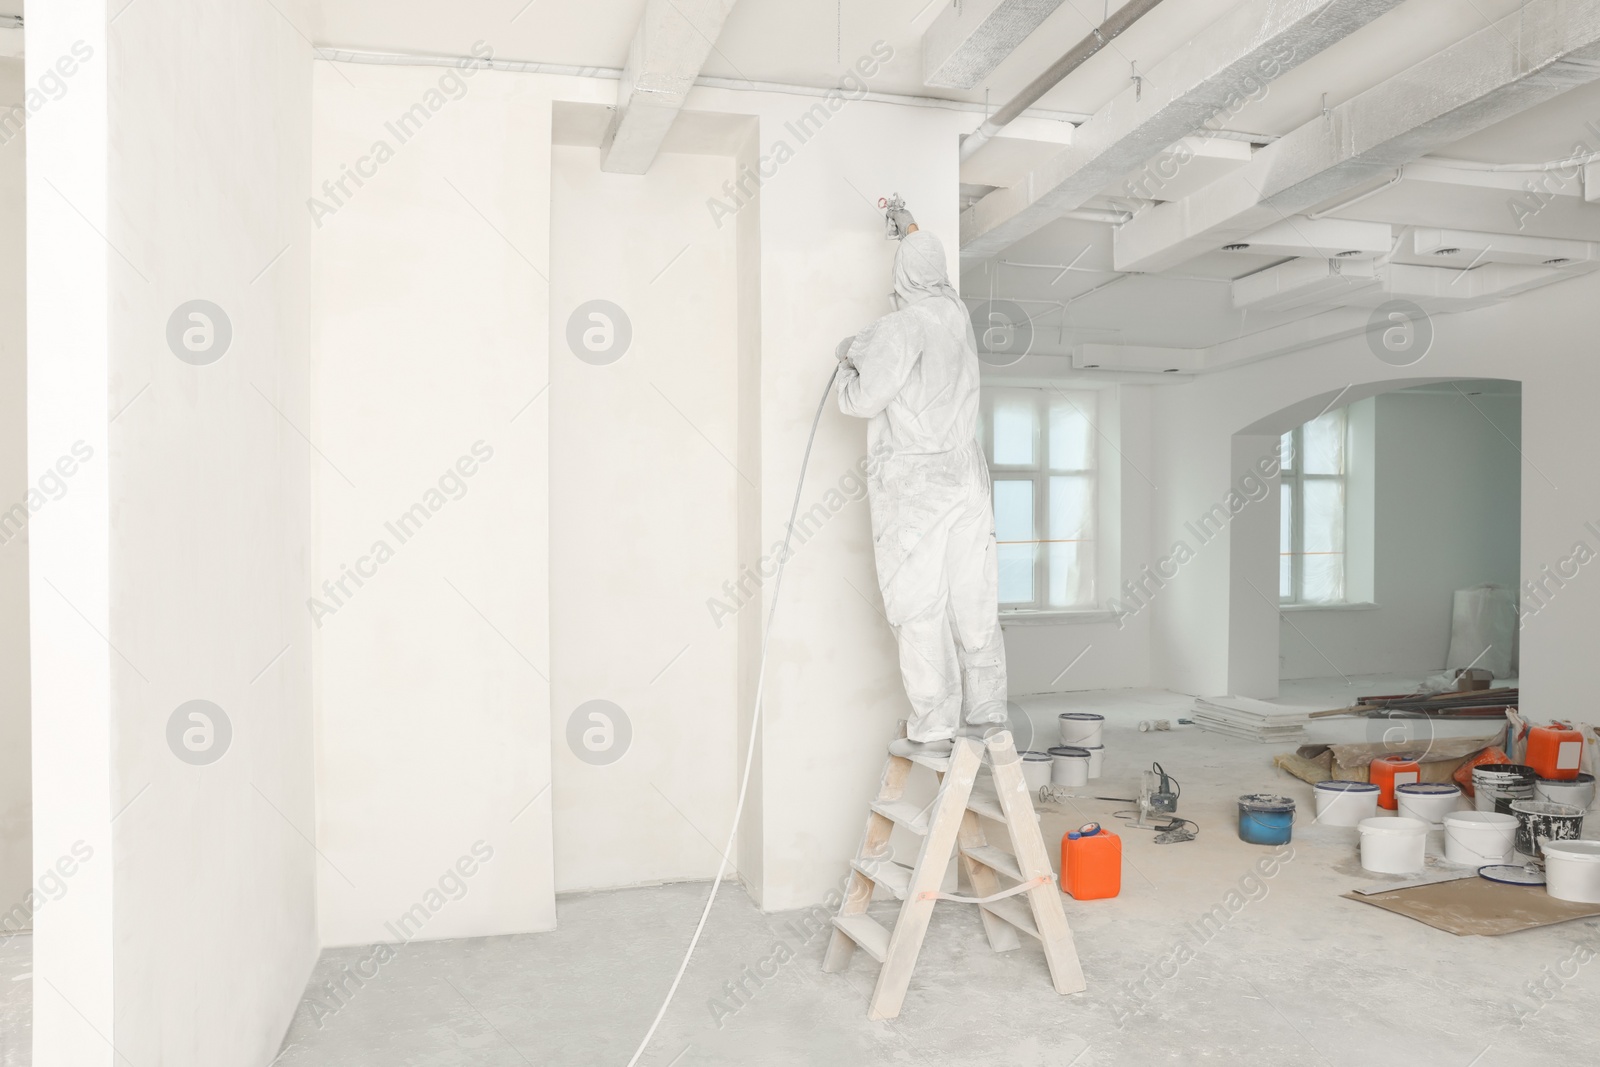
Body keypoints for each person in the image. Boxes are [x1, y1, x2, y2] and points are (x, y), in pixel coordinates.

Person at [835, 217, 1007, 759]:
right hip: (968, 477)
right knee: (974, 597)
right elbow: (935, 286)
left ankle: (934, 722)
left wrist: (848, 363)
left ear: (901, 276)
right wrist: (908, 225)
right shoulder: (956, 318)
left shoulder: (902, 327)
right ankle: (986, 711)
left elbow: (865, 400)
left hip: (920, 484)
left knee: (919, 604)